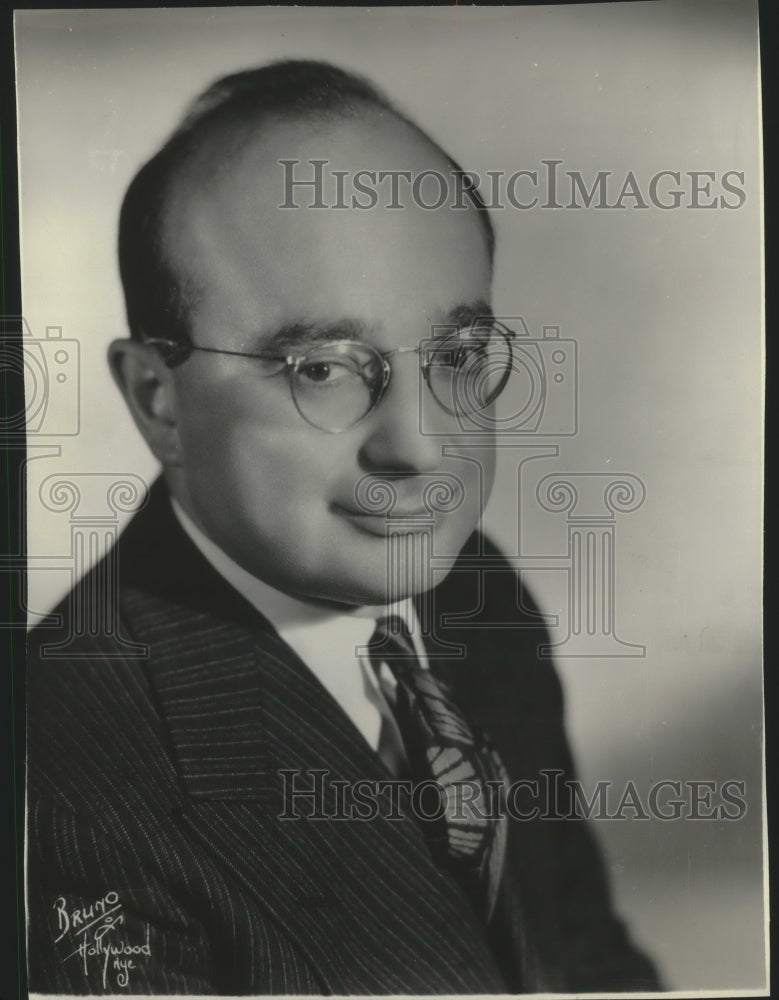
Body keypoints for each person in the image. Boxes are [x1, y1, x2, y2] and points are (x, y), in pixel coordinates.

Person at [26, 60, 660, 994]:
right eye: (321, 367)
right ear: (158, 400)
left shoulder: (476, 601)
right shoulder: (59, 781)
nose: (418, 444)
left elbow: (587, 964)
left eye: (455, 353)